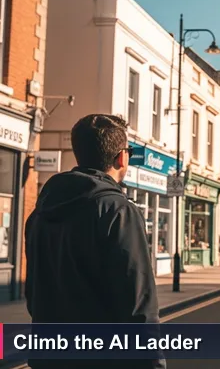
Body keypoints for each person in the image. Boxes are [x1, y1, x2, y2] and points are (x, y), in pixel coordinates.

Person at [25, 114, 165, 369]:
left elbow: (33, 295)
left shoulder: (39, 214)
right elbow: (138, 307)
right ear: (122, 157)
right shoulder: (119, 211)